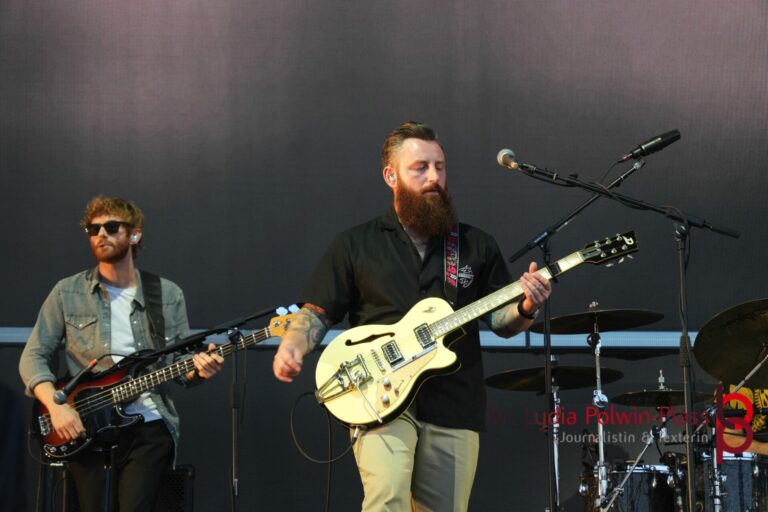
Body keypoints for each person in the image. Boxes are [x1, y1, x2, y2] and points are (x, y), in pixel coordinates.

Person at [273, 121, 552, 511]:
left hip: (455, 403)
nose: (434, 177)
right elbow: (317, 313)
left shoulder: (474, 245)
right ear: (391, 176)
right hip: (379, 399)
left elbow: (503, 323)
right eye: (420, 168)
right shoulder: (356, 244)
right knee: (386, 500)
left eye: (440, 167)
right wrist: (293, 346)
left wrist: (527, 305)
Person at [19, 195, 224, 512]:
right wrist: (57, 407)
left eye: (111, 227)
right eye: (93, 229)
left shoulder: (166, 294)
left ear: (134, 234)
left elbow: (180, 365)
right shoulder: (66, 291)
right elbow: (33, 356)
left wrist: (199, 368)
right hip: (85, 423)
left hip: (148, 422)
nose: (100, 234)